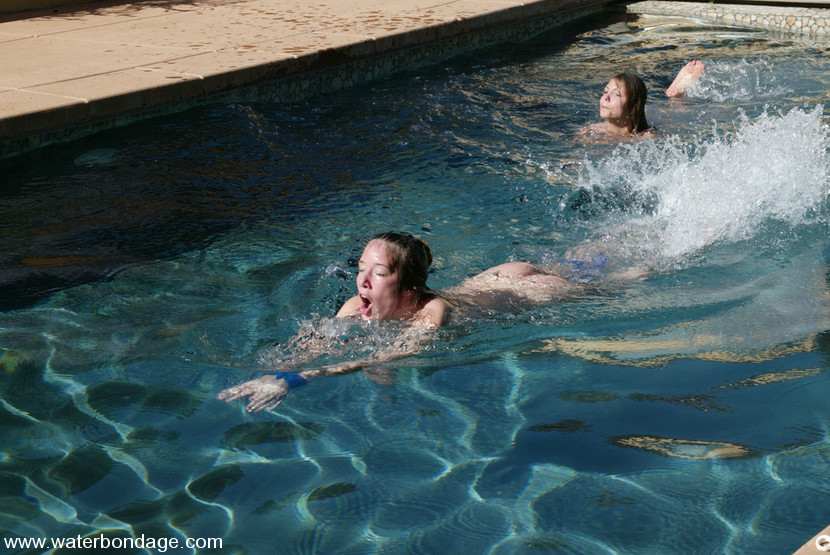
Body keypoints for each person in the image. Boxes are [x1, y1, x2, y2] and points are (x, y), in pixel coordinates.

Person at [217, 231, 583, 412]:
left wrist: (297, 380)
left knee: (607, 276)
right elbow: (316, 344)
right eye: (360, 270)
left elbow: (383, 358)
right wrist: (275, 373)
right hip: (495, 276)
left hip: (532, 291)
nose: (361, 281)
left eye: (377, 273)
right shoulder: (354, 303)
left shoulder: (432, 313)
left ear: (409, 289)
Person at [577, 61, 705, 141]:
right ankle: (672, 94)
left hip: (661, 122)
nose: (605, 98)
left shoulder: (647, 136)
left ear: (632, 105)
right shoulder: (589, 132)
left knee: (675, 112)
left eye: (616, 94)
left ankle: (674, 95)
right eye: (605, 91)